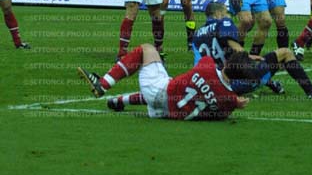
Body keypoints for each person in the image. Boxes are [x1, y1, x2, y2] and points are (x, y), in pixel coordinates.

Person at [192, 2, 312, 99]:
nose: (228, 15)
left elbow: (197, 66)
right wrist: (249, 57)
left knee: (260, 62)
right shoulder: (224, 23)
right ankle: (311, 91)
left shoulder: (197, 34)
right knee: (285, 53)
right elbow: (238, 52)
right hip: (234, 82)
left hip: (213, 84)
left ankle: (271, 83)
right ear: (218, 14)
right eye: (226, 12)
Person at [78, 45, 249, 119]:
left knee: (146, 50)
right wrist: (235, 101)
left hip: (160, 93)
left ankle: (102, 84)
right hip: (168, 113)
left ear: (227, 63)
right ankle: (119, 101)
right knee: (176, 87)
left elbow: (208, 73)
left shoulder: (207, 64)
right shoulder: (229, 102)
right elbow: (221, 110)